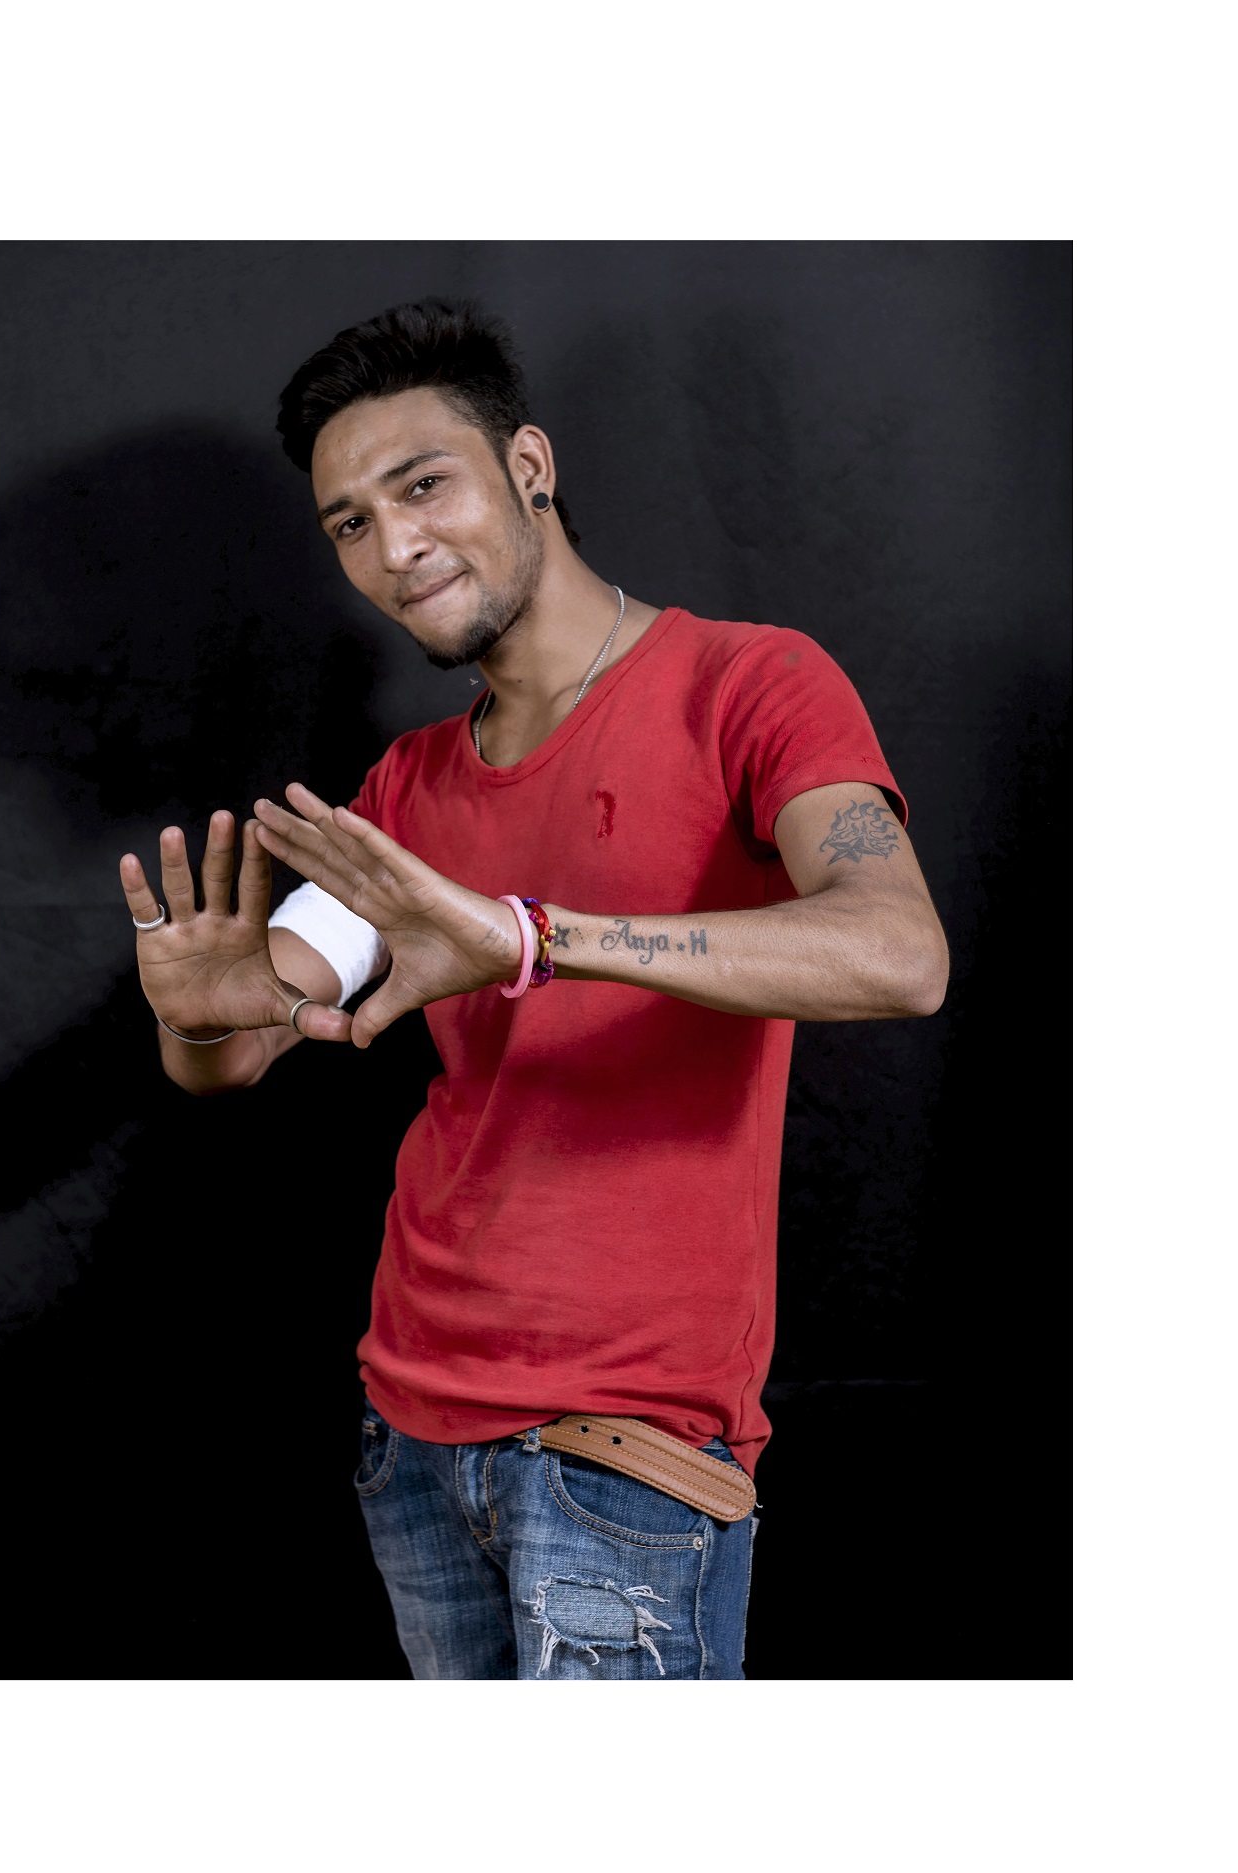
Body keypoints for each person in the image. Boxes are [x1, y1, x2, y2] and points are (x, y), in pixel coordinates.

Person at [117, 299, 949, 1680]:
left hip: (622, 1446)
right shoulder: (406, 793)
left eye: (421, 486)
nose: (394, 548)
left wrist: (531, 937)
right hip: (411, 1428)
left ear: (530, 465)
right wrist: (199, 1004)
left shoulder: (748, 683)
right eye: (349, 524)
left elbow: (898, 952)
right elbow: (235, 1052)